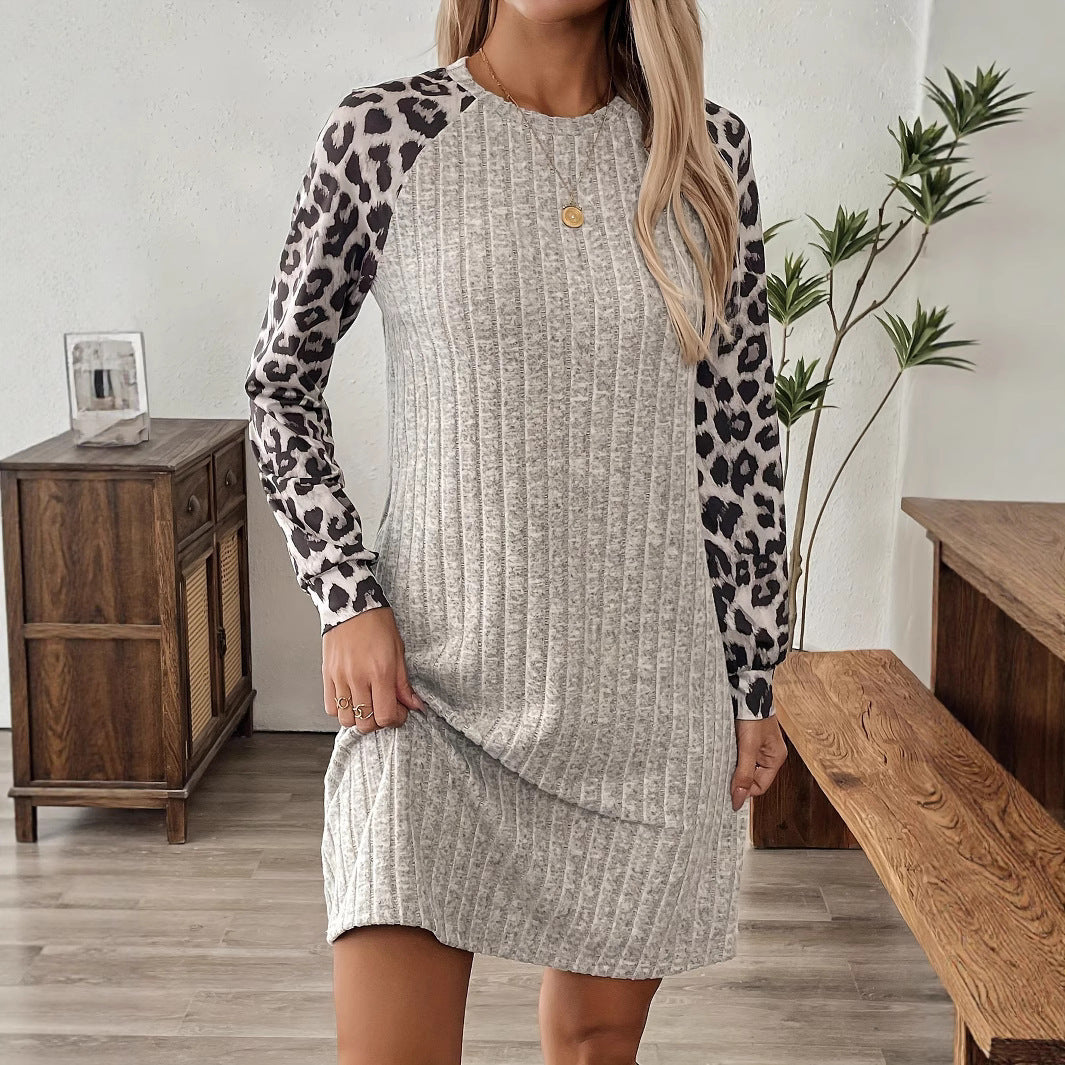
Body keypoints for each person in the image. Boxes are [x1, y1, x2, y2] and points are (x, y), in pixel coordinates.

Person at [245, 1, 790, 1061]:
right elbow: (281, 386)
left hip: (646, 704)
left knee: (594, 1045)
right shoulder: (384, 133)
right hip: (431, 695)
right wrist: (345, 593)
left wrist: (754, 676)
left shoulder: (706, 152)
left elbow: (738, 435)